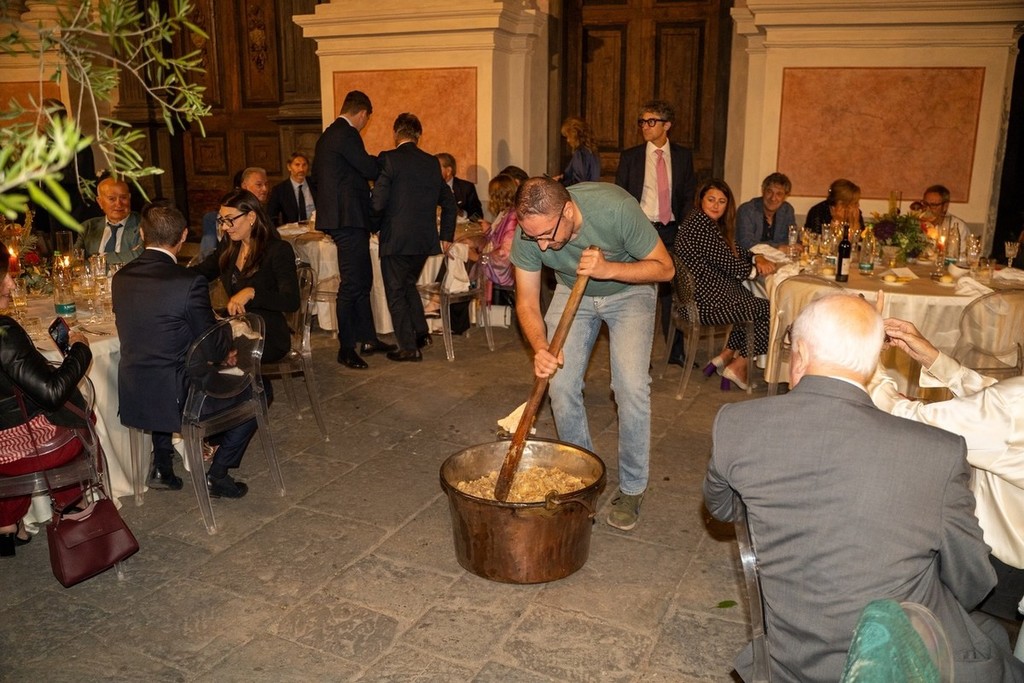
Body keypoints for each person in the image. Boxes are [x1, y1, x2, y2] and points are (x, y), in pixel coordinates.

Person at [704, 293, 1024, 683]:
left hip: (788, 661)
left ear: (799, 354)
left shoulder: (736, 423)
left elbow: (722, 509)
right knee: (991, 640)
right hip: (899, 664)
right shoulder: (939, 452)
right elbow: (972, 579)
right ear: (874, 364)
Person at [511, 177, 674, 531]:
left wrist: (608, 269)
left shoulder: (615, 209)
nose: (541, 246)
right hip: (572, 291)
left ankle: (632, 488)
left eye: (547, 235)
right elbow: (526, 301)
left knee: (630, 387)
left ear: (568, 211)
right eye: (533, 237)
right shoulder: (530, 231)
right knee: (560, 385)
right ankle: (583, 476)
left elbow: (665, 268)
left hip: (629, 291)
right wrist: (541, 347)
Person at [870, 317, 1024, 624]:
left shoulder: (1013, 406)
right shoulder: (1011, 403)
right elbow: (993, 399)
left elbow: (913, 422)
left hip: (999, 574)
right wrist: (933, 358)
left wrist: (867, 368)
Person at [114, 202, 259, 499]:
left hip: (135, 391)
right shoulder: (188, 282)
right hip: (181, 398)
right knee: (256, 392)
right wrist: (228, 336)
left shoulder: (121, 277)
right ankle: (218, 475)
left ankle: (162, 465)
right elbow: (212, 345)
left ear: (141, 234)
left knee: (167, 364)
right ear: (183, 236)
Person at [0, 241, 91, 556]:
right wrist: (80, 350)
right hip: (16, 448)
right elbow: (52, 395)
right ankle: (72, 504)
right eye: (4, 276)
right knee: (79, 417)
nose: (12, 284)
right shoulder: (4, 332)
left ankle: (7, 524)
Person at [311, 90, 394, 369]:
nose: (365, 123)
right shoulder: (346, 134)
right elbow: (368, 168)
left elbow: (318, 177)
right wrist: (387, 160)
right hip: (348, 219)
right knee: (352, 283)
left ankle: (368, 338)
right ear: (362, 113)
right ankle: (346, 348)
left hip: (344, 218)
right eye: (366, 118)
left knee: (362, 279)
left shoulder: (327, 135)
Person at [674, 179, 775, 391]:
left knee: (747, 299)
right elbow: (732, 265)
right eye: (711, 199)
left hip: (701, 299)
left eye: (721, 201)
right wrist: (758, 269)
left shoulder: (703, 223)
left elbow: (733, 249)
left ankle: (725, 356)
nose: (716, 205)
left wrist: (755, 256)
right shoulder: (701, 227)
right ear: (700, 200)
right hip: (704, 306)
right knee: (770, 311)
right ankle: (739, 366)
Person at [371, 113, 457, 361]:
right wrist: (446, 234)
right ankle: (421, 333)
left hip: (396, 239)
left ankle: (409, 348)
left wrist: (374, 226)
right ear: (419, 136)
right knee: (407, 284)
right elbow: (449, 203)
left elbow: (378, 202)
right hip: (423, 240)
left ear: (395, 133)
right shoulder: (431, 162)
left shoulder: (388, 158)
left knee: (395, 292)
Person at [615, 99, 697, 341]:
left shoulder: (683, 156)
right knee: (638, 293)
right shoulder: (631, 157)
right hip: (641, 231)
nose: (645, 126)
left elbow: (688, 194)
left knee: (674, 292)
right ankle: (637, 347)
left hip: (671, 231)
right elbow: (621, 195)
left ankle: (675, 349)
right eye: (642, 122)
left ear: (667, 125)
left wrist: (683, 228)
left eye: (651, 122)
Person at [193, 190, 299, 366]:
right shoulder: (229, 246)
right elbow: (202, 271)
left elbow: (291, 301)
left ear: (251, 217)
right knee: (194, 344)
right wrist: (168, 272)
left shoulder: (278, 250)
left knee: (212, 353)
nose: (224, 227)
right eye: (222, 220)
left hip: (267, 334)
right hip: (237, 326)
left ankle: (246, 382)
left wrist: (252, 292)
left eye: (230, 220)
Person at [76, 176, 143, 264]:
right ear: (100, 202)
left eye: (123, 198)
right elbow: (76, 260)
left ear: (129, 198)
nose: (118, 204)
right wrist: (126, 256)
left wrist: (98, 259)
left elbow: (141, 256)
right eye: (112, 199)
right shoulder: (88, 227)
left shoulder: (144, 224)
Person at [735, 172, 797, 252]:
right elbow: (746, 242)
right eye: (769, 192)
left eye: (779, 194)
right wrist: (777, 247)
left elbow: (792, 240)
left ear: (785, 196)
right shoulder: (747, 210)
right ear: (763, 191)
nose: (773, 198)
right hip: (750, 257)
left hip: (779, 257)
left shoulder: (787, 210)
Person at [479, 173, 519, 290]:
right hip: (496, 262)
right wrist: (489, 228)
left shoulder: (512, 217)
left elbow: (505, 253)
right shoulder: (504, 213)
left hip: (505, 272)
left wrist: (480, 258)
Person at [267, 153, 316, 226]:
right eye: (297, 165)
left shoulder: (315, 184)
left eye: (304, 165)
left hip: (314, 229)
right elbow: (271, 216)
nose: (301, 169)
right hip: (292, 230)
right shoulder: (279, 190)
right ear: (289, 167)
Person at [554, 116, 600, 186]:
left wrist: (559, 182)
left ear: (575, 135)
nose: (568, 140)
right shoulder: (592, 151)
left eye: (568, 136)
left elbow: (578, 181)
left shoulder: (580, 153)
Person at [436, 152, 483, 220]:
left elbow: (478, 216)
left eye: (436, 168)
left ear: (448, 171)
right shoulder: (426, 187)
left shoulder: (466, 188)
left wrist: (461, 213)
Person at [920, 183, 969, 248]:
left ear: (945, 206)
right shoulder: (916, 224)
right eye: (925, 204)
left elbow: (963, 253)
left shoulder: (959, 227)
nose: (927, 209)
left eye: (933, 205)